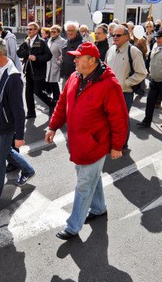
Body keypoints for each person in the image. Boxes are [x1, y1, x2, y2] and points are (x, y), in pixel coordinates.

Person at [46, 42, 128, 239]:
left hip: (95, 144)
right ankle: (99, 208)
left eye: (78, 58)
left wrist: (117, 146)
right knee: (91, 177)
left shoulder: (109, 85)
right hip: (78, 142)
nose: (74, 60)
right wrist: (53, 126)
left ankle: (73, 226)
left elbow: (119, 118)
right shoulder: (74, 78)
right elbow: (62, 103)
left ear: (91, 61)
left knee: (84, 184)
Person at [0, 36, 36, 210]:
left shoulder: (13, 76)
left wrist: (19, 136)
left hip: (4, 126)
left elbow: (19, 109)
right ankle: (28, 170)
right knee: (6, 151)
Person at [105, 24, 147, 148]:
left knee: (122, 121)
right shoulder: (111, 49)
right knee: (109, 119)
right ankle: (111, 141)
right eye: (114, 35)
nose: (115, 37)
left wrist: (125, 83)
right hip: (109, 92)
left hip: (124, 93)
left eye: (118, 35)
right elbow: (106, 68)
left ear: (127, 37)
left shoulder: (134, 51)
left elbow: (142, 73)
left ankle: (123, 145)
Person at [17, 22, 53, 118]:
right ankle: (31, 112)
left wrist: (36, 58)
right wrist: (26, 54)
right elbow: (19, 53)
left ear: (36, 30)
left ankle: (52, 103)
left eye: (31, 29)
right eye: (27, 29)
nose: (28, 31)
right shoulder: (26, 40)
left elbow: (48, 55)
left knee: (38, 91)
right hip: (28, 70)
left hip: (38, 71)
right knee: (28, 92)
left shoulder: (41, 42)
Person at [45, 24, 65, 109]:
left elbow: (63, 54)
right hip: (48, 64)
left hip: (55, 65)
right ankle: (55, 100)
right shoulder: (50, 40)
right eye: (51, 31)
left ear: (58, 32)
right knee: (50, 82)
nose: (52, 33)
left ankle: (57, 100)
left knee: (54, 83)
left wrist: (58, 61)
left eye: (54, 32)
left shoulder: (62, 41)